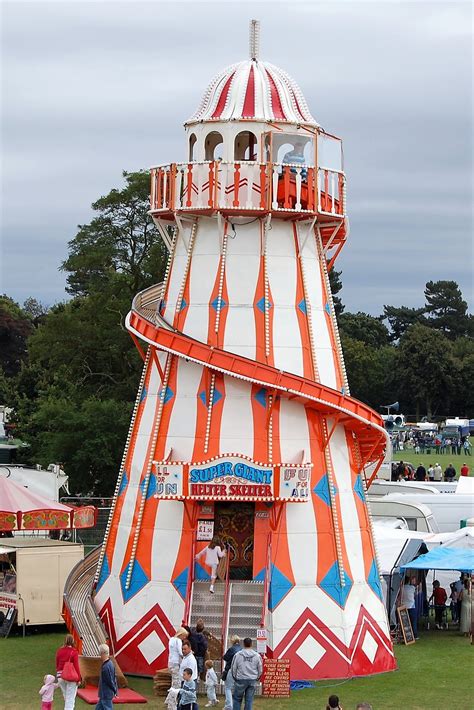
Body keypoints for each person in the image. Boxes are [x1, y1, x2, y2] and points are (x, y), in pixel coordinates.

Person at [231, 637, 262, 710]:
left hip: (240, 679)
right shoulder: (257, 656)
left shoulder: (238, 655)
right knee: (249, 700)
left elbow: (234, 667)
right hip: (252, 679)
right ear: (252, 644)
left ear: (243, 644)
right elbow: (260, 668)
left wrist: (235, 677)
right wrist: (257, 677)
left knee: (237, 699)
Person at [56, 634, 81, 710]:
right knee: (70, 698)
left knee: (66, 697)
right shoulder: (74, 652)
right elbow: (76, 666)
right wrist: (79, 678)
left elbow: (57, 664)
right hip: (70, 676)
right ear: (73, 641)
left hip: (60, 676)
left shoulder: (59, 651)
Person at [96, 643, 118, 710]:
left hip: (106, 694)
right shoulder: (111, 663)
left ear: (103, 653)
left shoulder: (105, 667)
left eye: (100, 653)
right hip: (104, 694)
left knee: (107, 708)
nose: (99, 655)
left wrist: (115, 690)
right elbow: (114, 678)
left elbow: (110, 681)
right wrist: (115, 690)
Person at [222, 635, 242, 710]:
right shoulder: (241, 649)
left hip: (231, 669)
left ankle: (229, 705)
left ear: (232, 641)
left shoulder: (231, 649)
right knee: (237, 688)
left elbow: (225, 657)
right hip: (239, 670)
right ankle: (236, 705)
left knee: (228, 688)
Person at [179, 639, 198, 709]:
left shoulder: (191, 659)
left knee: (190, 701)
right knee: (183, 700)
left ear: (190, 648)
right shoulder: (186, 657)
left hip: (188, 682)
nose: (183, 651)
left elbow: (189, 672)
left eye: (185, 649)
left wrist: (185, 681)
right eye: (182, 649)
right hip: (185, 681)